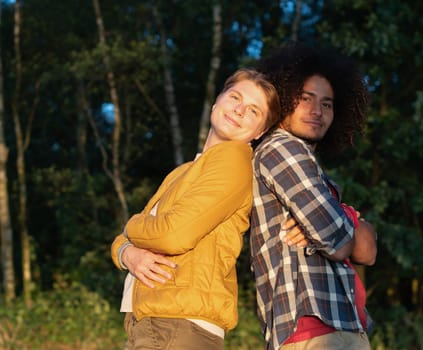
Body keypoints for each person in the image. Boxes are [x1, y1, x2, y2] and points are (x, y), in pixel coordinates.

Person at [110, 68, 284, 350]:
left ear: (260, 131)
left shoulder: (234, 160)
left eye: (253, 111)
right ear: (217, 101)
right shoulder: (183, 172)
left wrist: (131, 226)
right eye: (235, 97)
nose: (239, 110)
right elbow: (124, 241)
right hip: (155, 320)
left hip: (179, 324)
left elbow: (173, 234)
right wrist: (127, 253)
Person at [250, 42, 378, 350]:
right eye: (305, 98)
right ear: (283, 98)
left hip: (337, 325)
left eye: (327, 103)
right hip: (314, 330)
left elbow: (367, 251)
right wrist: (345, 222)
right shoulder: (282, 147)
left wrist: (340, 215)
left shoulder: (313, 169)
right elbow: (340, 243)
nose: (317, 111)